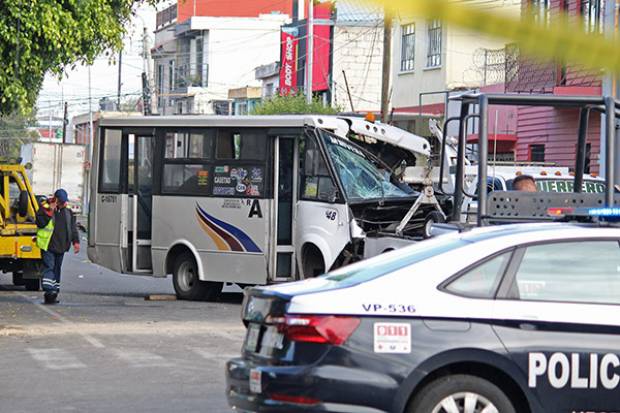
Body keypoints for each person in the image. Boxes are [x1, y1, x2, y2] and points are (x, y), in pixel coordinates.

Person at [35, 189, 80, 305]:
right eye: (63, 202)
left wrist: (76, 242)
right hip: (48, 245)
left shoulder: (68, 212)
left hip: (61, 246)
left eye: (65, 202)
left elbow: (73, 229)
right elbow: (40, 222)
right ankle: (49, 290)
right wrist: (50, 211)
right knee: (49, 267)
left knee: (56, 270)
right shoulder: (45, 208)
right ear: (57, 200)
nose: (65, 204)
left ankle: (53, 294)